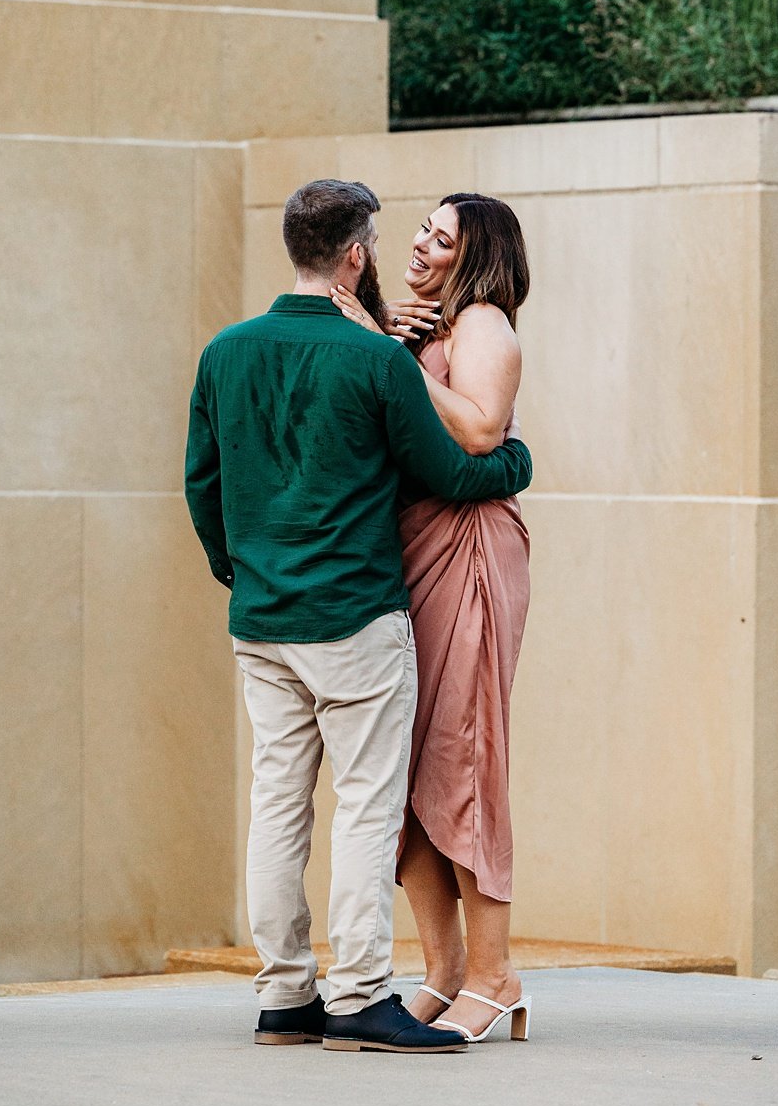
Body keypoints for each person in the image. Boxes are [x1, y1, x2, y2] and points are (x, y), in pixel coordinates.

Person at [185, 179, 533, 1055]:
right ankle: (356, 998)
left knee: (277, 805)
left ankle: (284, 1000)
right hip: (356, 613)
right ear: (355, 254)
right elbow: (457, 472)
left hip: (262, 618)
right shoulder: (375, 357)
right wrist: (516, 461)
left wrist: (242, 572)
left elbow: (203, 485)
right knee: (370, 806)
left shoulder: (224, 351)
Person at [331, 192, 532, 1046]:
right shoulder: (419, 329)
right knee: (407, 768)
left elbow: (483, 432)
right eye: (421, 228)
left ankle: (496, 976)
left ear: (474, 257)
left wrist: (392, 357)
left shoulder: (485, 324)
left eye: (441, 238)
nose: (419, 243)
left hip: (471, 552)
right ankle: (444, 971)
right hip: (409, 554)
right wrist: (388, 339)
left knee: (464, 755)